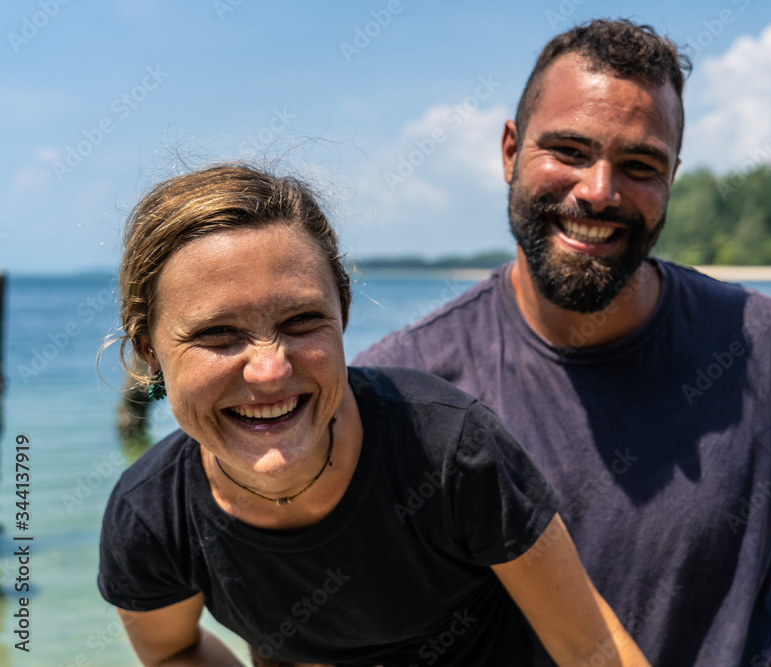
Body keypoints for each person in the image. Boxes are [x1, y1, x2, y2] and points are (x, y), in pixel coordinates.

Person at [354, 19, 771, 666]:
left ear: (671, 177)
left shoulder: (761, 342)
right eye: (568, 150)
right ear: (510, 151)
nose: (599, 190)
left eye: (639, 165)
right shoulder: (402, 389)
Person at [97, 163, 651, 667]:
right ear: (148, 351)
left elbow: (590, 648)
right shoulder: (151, 518)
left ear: (343, 312)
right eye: (218, 334)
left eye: (301, 321)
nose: (268, 370)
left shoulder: (448, 451)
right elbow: (173, 650)